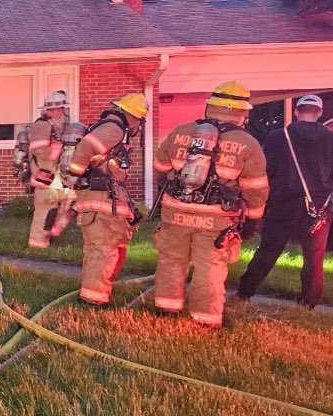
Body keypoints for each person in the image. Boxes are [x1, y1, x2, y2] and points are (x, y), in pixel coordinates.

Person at [152, 80, 268, 328]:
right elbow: (256, 189)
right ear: (242, 114)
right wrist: (253, 220)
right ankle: (205, 318)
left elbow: (160, 167)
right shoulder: (247, 143)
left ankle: (166, 308)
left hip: (175, 211)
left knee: (171, 259)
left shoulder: (181, 131)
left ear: (209, 107)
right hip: (216, 218)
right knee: (209, 266)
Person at [237, 94, 333, 307]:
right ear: (319, 113)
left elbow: (266, 171)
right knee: (314, 257)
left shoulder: (278, 137)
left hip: (284, 203)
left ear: (297, 111)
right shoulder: (330, 139)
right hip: (320, 207)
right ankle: (308, 302)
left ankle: (245, 292)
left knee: (269, 249)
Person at [66, 93, 148, 305]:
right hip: (102, 200)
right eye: (139, 120)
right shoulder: (114, 129)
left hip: (99, 198)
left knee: (98, 249)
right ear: (131, 116)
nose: (138, 126)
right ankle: (94, 299)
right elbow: (86, 147)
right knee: (104, 250)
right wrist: (74, 174)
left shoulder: (111, 128)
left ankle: (92, 292)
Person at [27, 90, 70, 249]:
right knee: (45, 212)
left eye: (61, 108)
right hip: (45, 176)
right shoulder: (42, 125)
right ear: (49, 110)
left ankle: (48, 239)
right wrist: (57, 150)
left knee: (59, 210)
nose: (60, 112)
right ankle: (37, 246)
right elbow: (39, 151)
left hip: (56, 177)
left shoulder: (56, 125)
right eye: (57, 109)